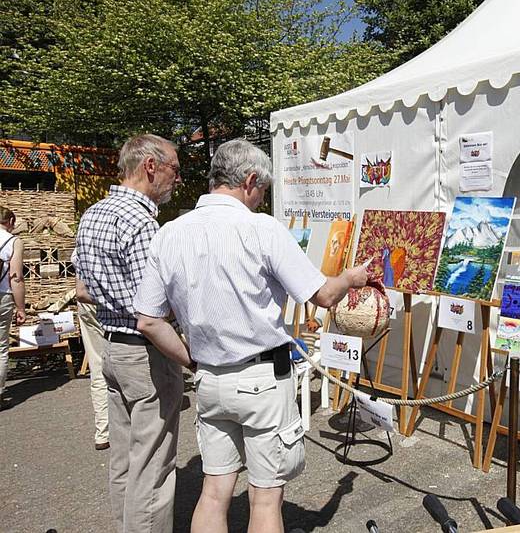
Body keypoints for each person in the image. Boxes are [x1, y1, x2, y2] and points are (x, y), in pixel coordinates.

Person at [134, 139, 369, 533]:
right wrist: (352, 277)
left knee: (214, 492)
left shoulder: (169, 233)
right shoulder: (261, 229)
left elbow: (148, 320)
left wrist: (192, 360)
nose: (262, 199)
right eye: (263, 190)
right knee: (265, 496)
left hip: (209, 379)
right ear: (250, 179)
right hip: (261, 380)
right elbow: (325, 295)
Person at [74, 133, 187, 533]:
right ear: (150, 167)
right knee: (152, 467)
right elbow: (151, 311)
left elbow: (82, 288)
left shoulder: (93, 214)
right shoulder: (140, 222)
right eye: (175, 168)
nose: (179, 177)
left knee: (124, 457)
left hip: (113, 348)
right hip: (145, 353)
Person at [0, 207, 26, 408]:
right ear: (9, 221)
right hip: (3, 296)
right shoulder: (13, 241)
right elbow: (15, 277)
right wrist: (21, 308)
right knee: (0, 348)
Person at [77, 300, 110, 450]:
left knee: (97, 368)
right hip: (112, 301)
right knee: (127, 361)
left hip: (87, 301)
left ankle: (103, 433)